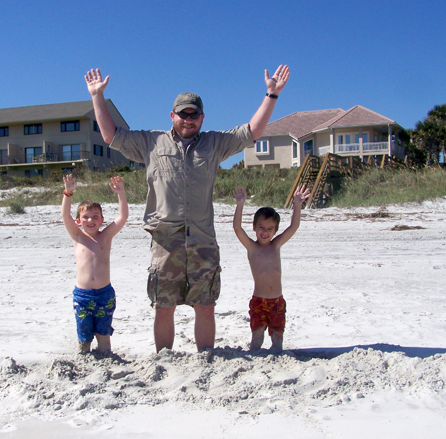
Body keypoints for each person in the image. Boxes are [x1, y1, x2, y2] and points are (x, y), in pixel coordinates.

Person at [85, 65, 289, 352]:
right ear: (173, 116)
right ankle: (164, 359)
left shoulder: (215, 144)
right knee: (163, 307)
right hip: (165, 242)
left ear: (202, 118)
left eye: (194, 114)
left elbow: (251, 132)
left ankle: (205, 358)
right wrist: (97, 97)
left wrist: (271, 94)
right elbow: (111, 136)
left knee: (205, 306)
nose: (188, 119)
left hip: (203, 241)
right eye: (183, 113)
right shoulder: (151, 142)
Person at [232, 184, 310, 353]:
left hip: (277, 302)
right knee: (257, 337)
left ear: (275, 231)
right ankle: (255, 357)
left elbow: (294, 227)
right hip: (259, 302)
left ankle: (276, 357)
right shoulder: (252, 248)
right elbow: (237, 228)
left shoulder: (276, 245)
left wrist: (297, 204)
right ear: (254, 227)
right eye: (261, 228)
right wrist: (240, 205)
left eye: (270, 229)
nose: (265, 232)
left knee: (277, 339)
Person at [61, 174, 129, 353]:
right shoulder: (77, 237)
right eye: (85, 217)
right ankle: (83, 356)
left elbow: (122, 217)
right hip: (82, 297)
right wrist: (68, 193)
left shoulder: (105, 236)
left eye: (95, 216)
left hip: (104, 295)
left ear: (102, 219)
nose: (90, 220)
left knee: (103, 333)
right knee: (84, 335)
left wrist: (121, 193)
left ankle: (106, 356)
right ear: (78, 221)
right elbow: (65, 215)